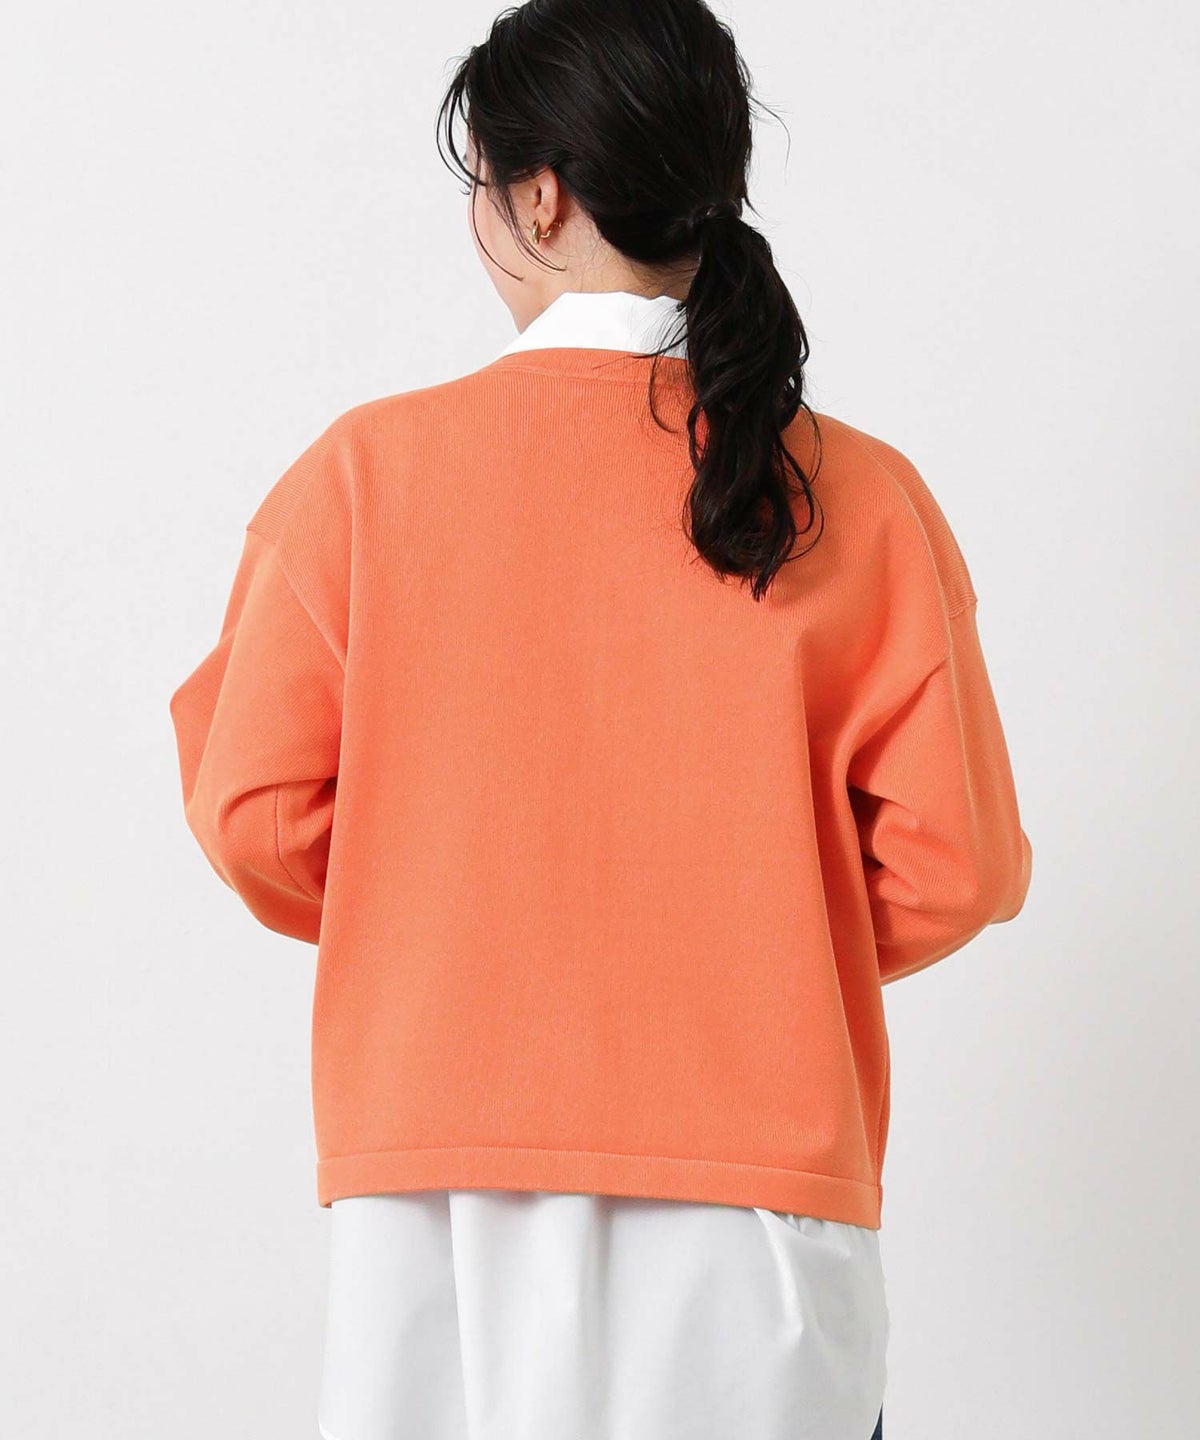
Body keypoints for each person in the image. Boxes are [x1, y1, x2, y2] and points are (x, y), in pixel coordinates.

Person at [167, 2, 1032, 1436]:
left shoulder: (364, 479)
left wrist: (449, 916)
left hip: (438, 1194)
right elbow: (959, 865)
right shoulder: (857, 495)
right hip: (760, 1207)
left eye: (481, 182)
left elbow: (255, 813)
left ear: (542, 196)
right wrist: (751, 933)